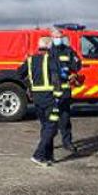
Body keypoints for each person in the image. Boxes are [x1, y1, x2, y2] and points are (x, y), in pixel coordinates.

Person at [23, 36, 66, 166]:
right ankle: (39, 154)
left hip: (37, 99)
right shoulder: (52, 60)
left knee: (45, 127)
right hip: (50, 99)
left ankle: (48, 156)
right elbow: (57, 79)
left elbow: (19, 74)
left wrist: (30, 86)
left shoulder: (30, 60)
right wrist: (58, 97)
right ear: (49, 46)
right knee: (52, 127)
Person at [48, 25, 82, 154]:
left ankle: (67, 142)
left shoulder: (68, 51)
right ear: (52, 38)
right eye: (56, 37)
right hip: (51, 90)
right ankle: (48, 142)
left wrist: (73, 72)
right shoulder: (48, 52)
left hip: (65, 90)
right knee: (50, 119)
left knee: (65, 118)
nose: (58, 39)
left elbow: (77, 64)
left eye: (60, 37)